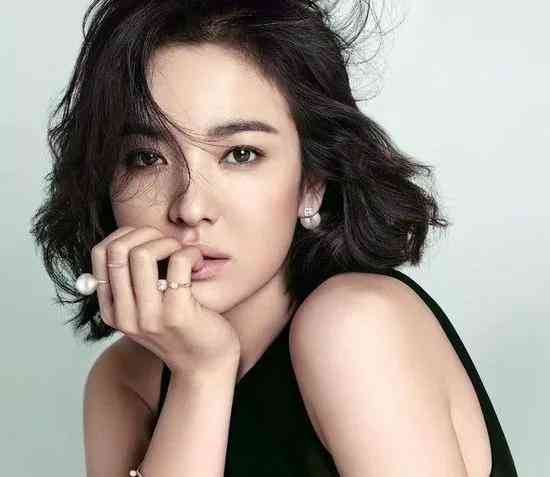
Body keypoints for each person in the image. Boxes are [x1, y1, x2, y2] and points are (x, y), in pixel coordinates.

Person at [29, 1, 518, 476]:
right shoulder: (123, 379)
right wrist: (202, 375)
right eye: (146, 158)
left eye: (241, 154)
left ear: (312, 183)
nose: (190, 208)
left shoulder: (354, 325)